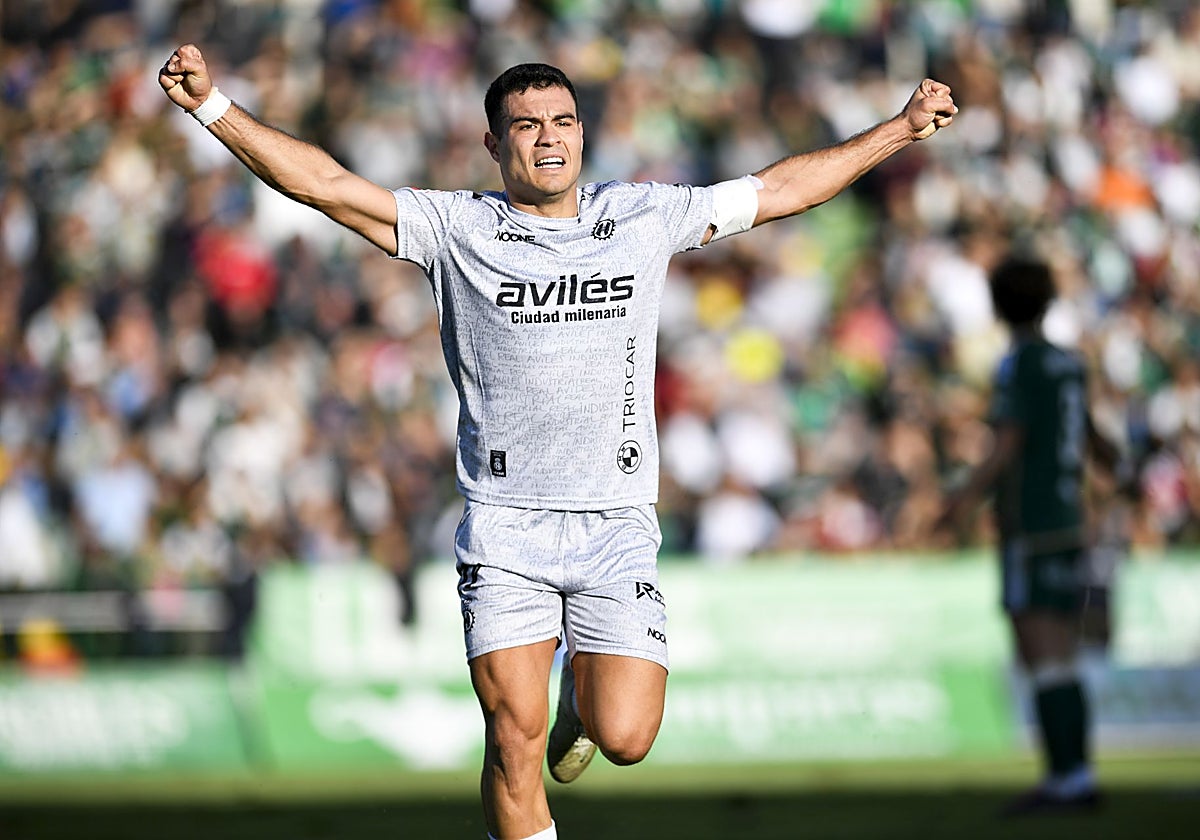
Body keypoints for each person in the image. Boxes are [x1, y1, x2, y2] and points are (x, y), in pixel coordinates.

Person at [159, 44, 956, 840]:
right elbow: (324, 186)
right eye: (528, 124)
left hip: (615, 523)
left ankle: (583, 694)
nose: (549, 138)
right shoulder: (456, 228)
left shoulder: (642, 217)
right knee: (513, 738)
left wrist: (900, 129)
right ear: (493, 144)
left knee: (628, 738)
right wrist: (211, 105)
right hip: (506, 525)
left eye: (565, 121)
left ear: (583, 134)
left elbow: (778, 190)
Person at [938, 255, 1119, 816]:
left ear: (997, 305)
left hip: (1032, 521)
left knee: (1042, 655)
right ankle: (1076, 774)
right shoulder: (1071, 363)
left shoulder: (1018, 365)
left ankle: (1067, 781)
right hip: (1071, 518)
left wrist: (961, 500)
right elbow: (1096, 440)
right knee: (1061, 653)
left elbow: (1008, 441)